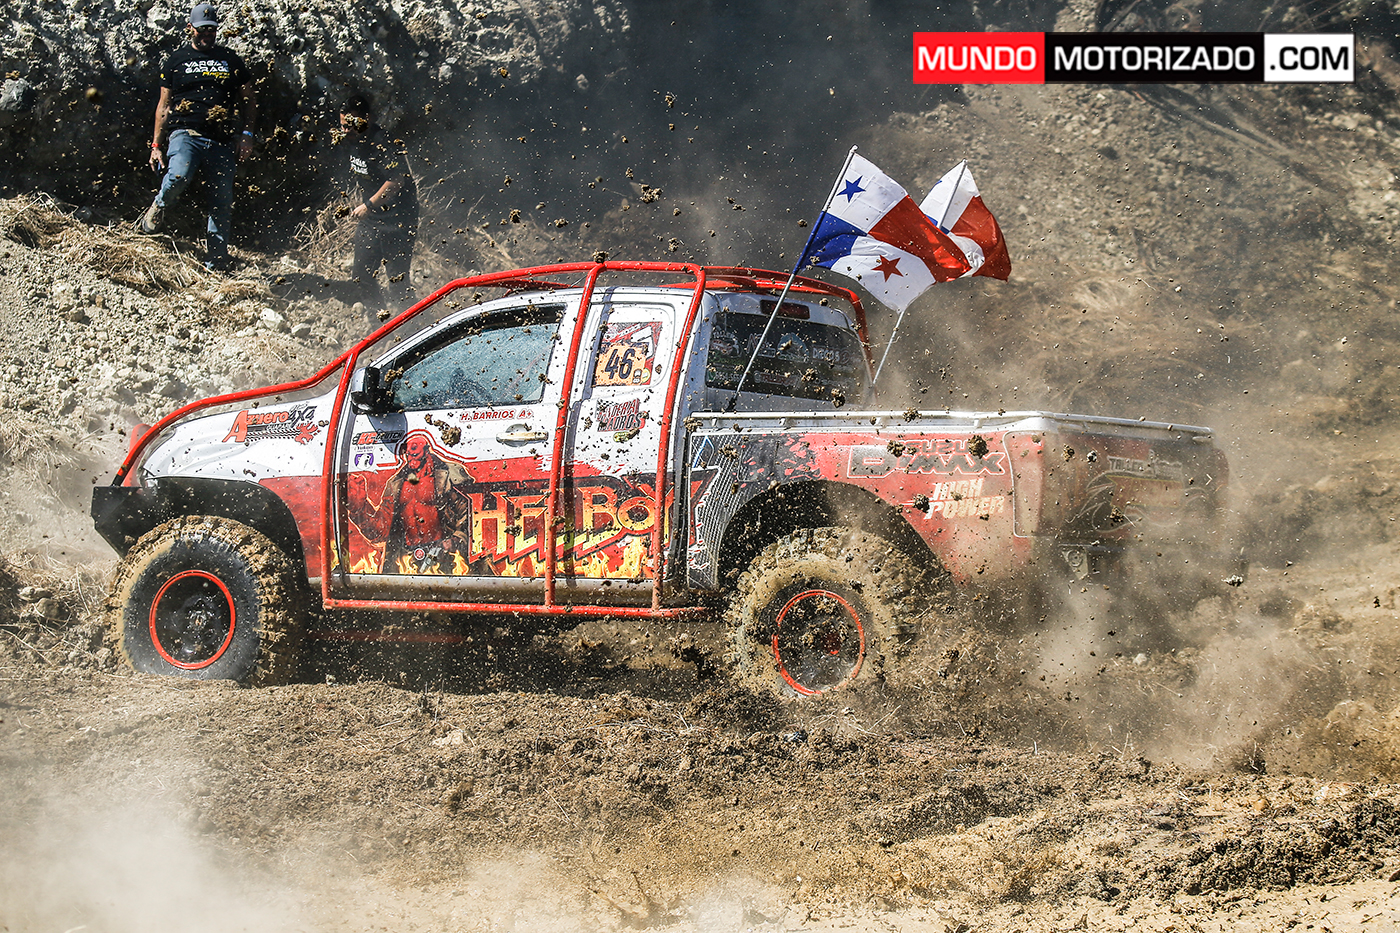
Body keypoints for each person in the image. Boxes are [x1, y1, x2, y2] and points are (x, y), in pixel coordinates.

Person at [141, 2, 256, 273]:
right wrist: (156, 145)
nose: (207, 34)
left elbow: (249, 99)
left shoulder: (230, 60)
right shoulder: (176, 60)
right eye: (201, 29)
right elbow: (164, 105)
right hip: (185, 133)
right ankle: (159, 205)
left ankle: (216, 262)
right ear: (190, 28)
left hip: (221, 139)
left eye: (211, 29)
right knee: (178, 175)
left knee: (222, 200)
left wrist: (247, 134)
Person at [339, 94, 419, 321]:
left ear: (369, 118)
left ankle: (415, 327)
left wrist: (368, 205)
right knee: (361, 276)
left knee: (397, 282)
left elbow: (396, 180)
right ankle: (381, 328)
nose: (346, 130)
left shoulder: (383, 142)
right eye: (343, 125)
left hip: (399, 219)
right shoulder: (349, 139)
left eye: (352, 124)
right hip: (372, 220)